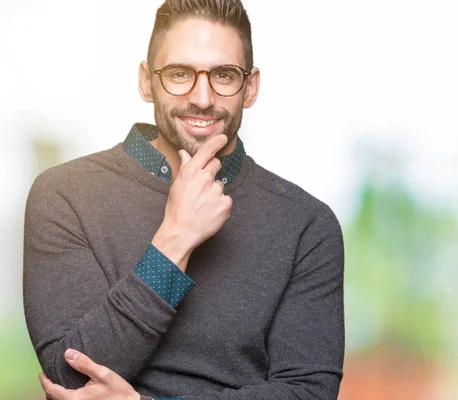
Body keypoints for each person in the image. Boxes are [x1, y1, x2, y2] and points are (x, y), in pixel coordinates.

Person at [22, 0, 345, 399]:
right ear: (146, 80)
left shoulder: (307, 225)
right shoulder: (64, 195)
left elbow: (310, 393)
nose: (203, 98)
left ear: (251, 87)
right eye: (180, 74)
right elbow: (70, 378)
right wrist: (174, 239)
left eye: (224, 75)